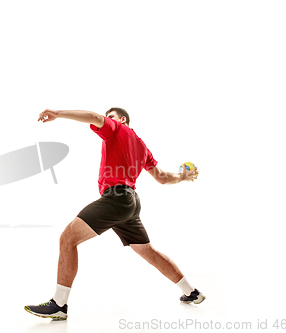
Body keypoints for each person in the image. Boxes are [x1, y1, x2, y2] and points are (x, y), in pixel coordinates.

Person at [24, 108, 204, 320]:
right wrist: (182, 177)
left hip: (116, 198)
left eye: (111, 117)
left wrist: (58, 113)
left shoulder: (116, 128)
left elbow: (94, 118)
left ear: (122, 119)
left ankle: (59, 304)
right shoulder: (142, 146)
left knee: (68, 238)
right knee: (148, 251)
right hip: (131, 203)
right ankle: (191, 292)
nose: (106, 121)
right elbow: (162, 178)